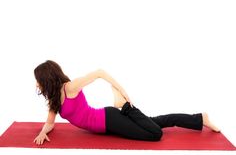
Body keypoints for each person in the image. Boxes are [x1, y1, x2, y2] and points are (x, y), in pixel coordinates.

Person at [33, 60, 220, 145]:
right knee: (158, 122)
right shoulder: (54, 99)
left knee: (155, 134)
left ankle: (125, 106)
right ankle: (200, 118)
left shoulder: (70, 87)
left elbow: (99, 72)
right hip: (106, 122)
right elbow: (50, 123)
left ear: (47, 78)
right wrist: (43, 132)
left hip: (109, 120)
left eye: (38, 80)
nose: (37, 84)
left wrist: (121, 90)